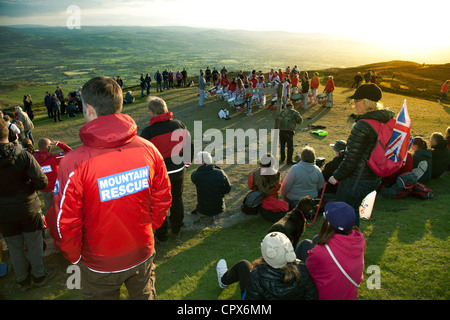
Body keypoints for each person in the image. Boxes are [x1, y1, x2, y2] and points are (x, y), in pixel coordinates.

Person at [46, 77, 172, 300]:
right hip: (141, 250)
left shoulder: (73, 163)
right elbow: (163, 198)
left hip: (99, 261)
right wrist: (149, 229)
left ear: (89, 109)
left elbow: (65, 220)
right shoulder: (148, 149)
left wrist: (75, 257)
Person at [328, 84, 395, 227]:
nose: (353, 103)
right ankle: (354, 242)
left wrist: (336, 176)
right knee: (354, 210)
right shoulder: (385, 119)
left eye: (356, 100)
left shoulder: (362, 125)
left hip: (357, 179)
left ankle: (348, 243)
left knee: (345, 214)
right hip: (374, 177)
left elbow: (351, 160)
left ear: (366, 102)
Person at [0, 118, 53, 292]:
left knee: (15, 247)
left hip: (5, 212)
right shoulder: (23, 155)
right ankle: (39, 275)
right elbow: (42, 182)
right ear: (8, 134)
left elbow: (42, 182)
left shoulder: (23, 155)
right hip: (27, 207)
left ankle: (23, 279)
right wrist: (28, 186)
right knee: (34, 243)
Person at [140, 97, 193, 243]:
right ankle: (176, 230)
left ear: (151, 112)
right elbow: (189, 144)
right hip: (178, 171)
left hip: (159, 176)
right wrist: (186, 164)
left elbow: (143, 157)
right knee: (177, 200)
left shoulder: (148, 132)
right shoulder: (179, 125)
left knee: (159, 204)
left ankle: (162, 235)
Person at [216, 232, 318, 300]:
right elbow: (312, 296)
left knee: (243, 265)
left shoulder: (257, 275)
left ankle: (223, 280)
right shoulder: (303, 269)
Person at [296, 201, 365, 300]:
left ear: (328, 223)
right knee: (309, 242)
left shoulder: (321, 251)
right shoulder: (359, 238)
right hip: (348, 295)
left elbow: (310, 270)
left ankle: (286, 276)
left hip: (325, 295)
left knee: (301, 261)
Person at [33, 138, 72, 215]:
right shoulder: (54, 158)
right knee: (63, 210)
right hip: (57, 189)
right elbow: (70, 152)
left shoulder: (33, 159)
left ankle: (52, 224)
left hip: (45, 189)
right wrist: (58, 143)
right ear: (47, 147)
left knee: (50, 211)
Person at [190, 151, 231, 224]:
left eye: (198, 160)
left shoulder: (195, 175)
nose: (196, 162)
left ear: (203, 161)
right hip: (219, 207)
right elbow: (228, 189)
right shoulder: (220, 173)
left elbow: (194, 179)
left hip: (203, 209)